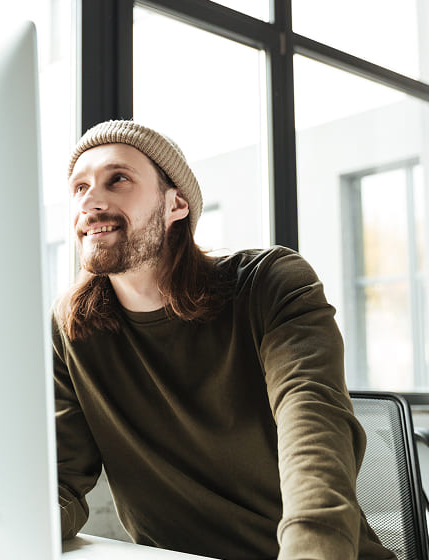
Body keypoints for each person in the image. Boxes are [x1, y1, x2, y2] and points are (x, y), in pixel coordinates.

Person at [53, 120, 396, 559]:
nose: (91, 201)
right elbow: (62, 481)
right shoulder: (71, 329)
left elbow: (315, 426)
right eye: (79, 187)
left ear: (176, 205)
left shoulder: (269, 283)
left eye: (117, 179)